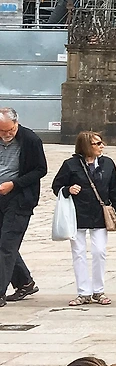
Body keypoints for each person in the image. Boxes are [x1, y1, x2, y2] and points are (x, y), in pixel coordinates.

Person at [51, 132, 116, 306]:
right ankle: (83, 292)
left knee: (99, 251)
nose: (102, 146)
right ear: (86, 146)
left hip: (99, 215)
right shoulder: (71, 165)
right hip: (77, 214)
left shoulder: (108, 164)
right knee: (78, 253)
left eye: (101, 143)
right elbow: (56, 186)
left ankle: (98, 290)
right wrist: (68, 189)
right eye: (97, 143)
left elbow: (114, 190)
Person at [0, 105, 46, 307]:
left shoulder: (30, 139)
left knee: (7, 245)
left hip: (19, 198)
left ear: (16, 123)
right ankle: (24, 283)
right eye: (2, 131)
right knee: (3, 244)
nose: (7, 134)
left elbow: (40, 169)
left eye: (10, 129)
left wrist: (14, 184)